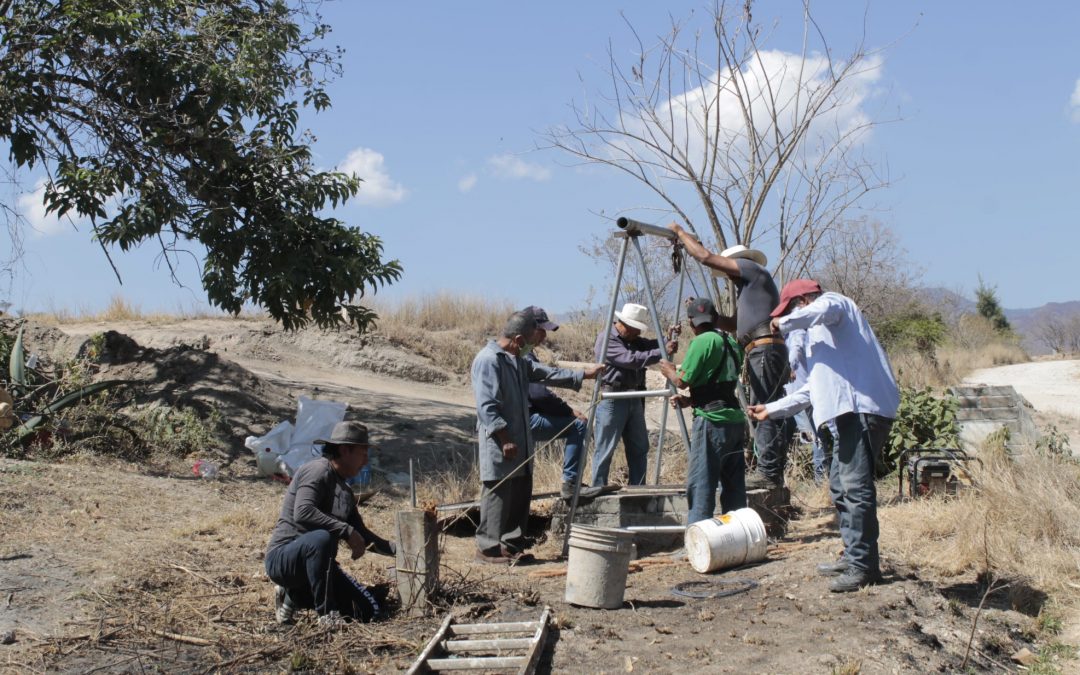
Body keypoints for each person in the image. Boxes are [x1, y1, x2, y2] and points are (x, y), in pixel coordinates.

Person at [747, 279, 899, 592]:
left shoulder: (836, 303)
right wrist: (771, 410)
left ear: (804, 300)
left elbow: (823, 309)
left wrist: (782, 321)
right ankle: (853, 555)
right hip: (846, 415)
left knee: (854, 486)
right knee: (841, 486)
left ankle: (863, 565)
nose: (786, 322)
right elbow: (810, 390)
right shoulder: (820, 341)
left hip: (862, 410)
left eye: (790, 310)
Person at [472, 310, 604, 564]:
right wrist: (504, 437)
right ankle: (487, 549)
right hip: (501, 439)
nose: (535, 346)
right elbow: (487, 405)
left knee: (521, 488)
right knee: (497, 488)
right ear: (519, 340)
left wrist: (584, 374)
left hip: (520, 438)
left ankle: (511, 545)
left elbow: (545, 373)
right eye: (532, 342)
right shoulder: (489, 360)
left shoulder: (516, 360)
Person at [668, 224, 793, 490]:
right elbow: (732, 325)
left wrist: (680, 232)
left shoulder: (751, 270)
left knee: (765, 405)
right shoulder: (748, 290)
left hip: (765, 348)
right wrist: (701, 311)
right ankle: (772, 469)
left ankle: (769, 473)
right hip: (762, 348)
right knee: (769, 405)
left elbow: (704, 257)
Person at [264, 421, 396, 627]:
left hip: (319, 566)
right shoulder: (317, 471)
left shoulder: (345, 491)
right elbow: (303, 512)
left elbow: (362, 534)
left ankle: (293, 595)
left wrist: (399, 550)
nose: (365, 461)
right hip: (284, 560)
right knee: (321, 538)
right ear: (345, 450)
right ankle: (327, 614)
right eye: (363, 453)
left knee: (366, 611)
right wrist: (346, 530)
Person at [658, 297, 746, 523]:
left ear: (691, 322)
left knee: (701, 484)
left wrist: (668, 370)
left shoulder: (701, 342)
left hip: (712, 421)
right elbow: (720, 384)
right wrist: (691, 401)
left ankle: (697, 538)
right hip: (734, 419)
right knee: (734, 485)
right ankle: (737, 535)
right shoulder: (732, 343)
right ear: (715, 318)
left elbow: (682, 380)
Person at [521, 306, 605, 502]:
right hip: (526, 418)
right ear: (530, 329)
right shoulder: (524, 355)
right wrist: (568, 411)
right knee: (578, 425)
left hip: (518, 417)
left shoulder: (521, 352)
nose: (544, 336)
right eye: (541, 331)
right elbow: (538, 394)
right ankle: (571, 484)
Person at [592, 302, 678, 487]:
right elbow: (630, 360)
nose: (637, 334)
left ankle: (637, 489)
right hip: (613, 398)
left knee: (639, 447)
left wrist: (668, 338)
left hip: (634, 397)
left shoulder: (634, 340)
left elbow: (653, 344)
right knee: (605, 448)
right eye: (633, 329)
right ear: (621, 323)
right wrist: (660, 353)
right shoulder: (607, 339)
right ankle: (598, 489)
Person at [786, 328, 828, 481]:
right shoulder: (790, 334)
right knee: (811, 437)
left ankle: (820, 483)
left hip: (802, 396)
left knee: (814, 437)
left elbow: (795, 352)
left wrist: (788, 367)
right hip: (791, 397)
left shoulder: (796, 333)